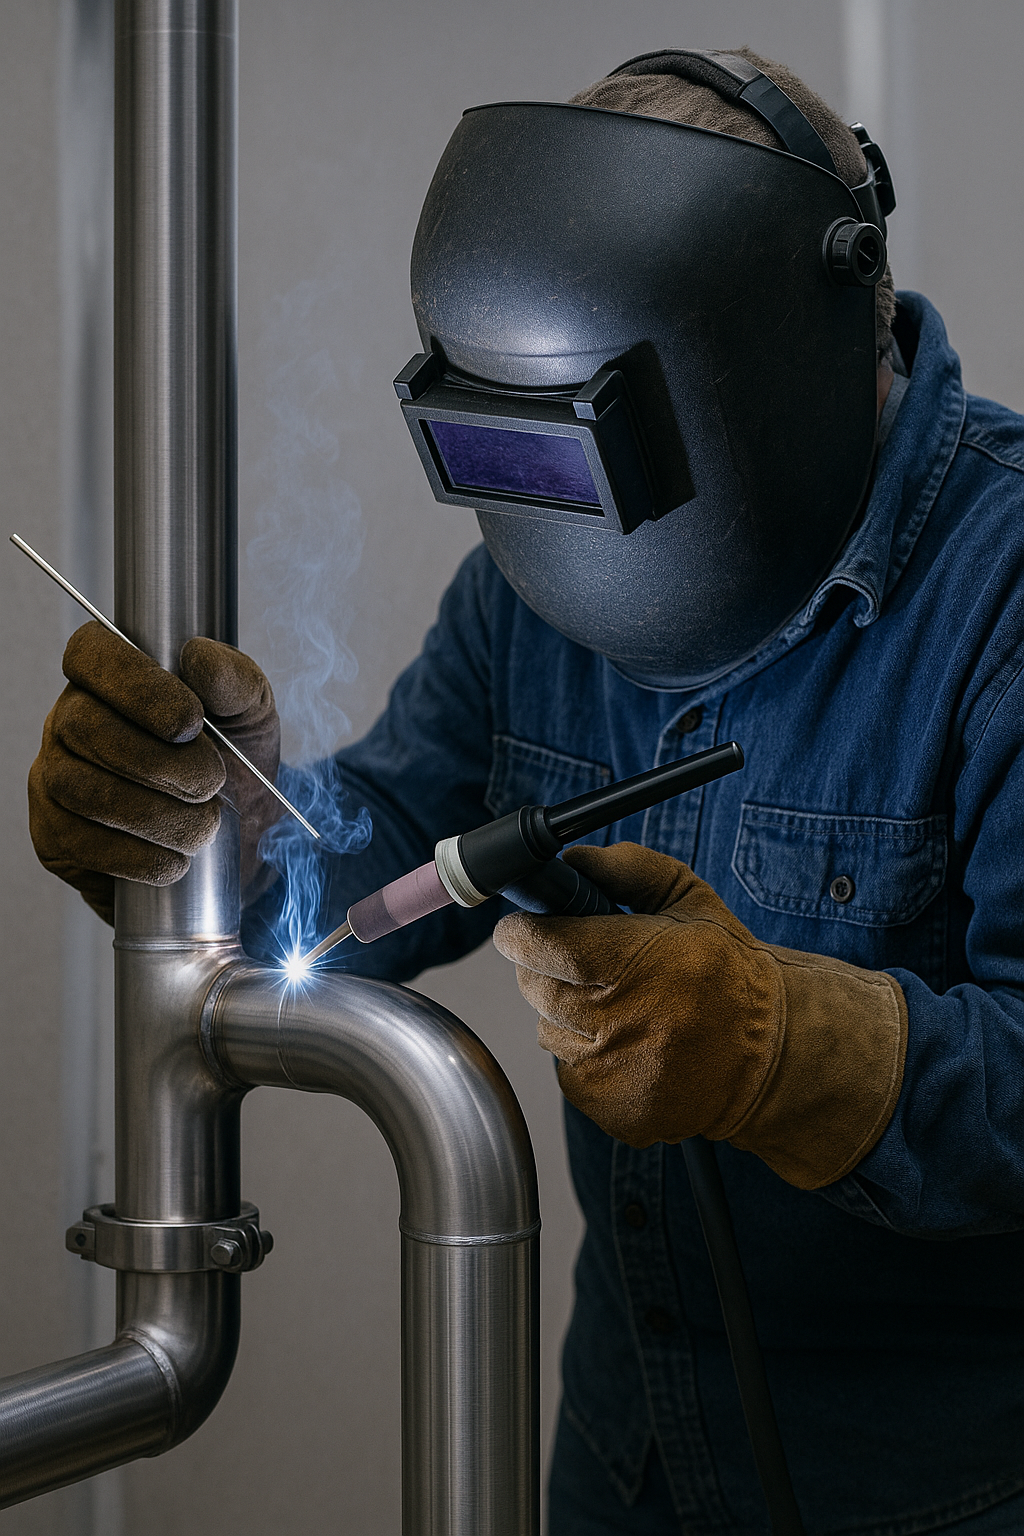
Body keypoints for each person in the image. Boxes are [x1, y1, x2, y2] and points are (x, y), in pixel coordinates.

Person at [27, 46, 1024, 1536]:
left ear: (774, 348)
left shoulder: (1001, 587)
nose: (584, 529)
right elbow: (375, 881)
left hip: (937, 1492)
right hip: (625, 1465)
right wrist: (212, 833)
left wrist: (783, 1048)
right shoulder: (545, 563)